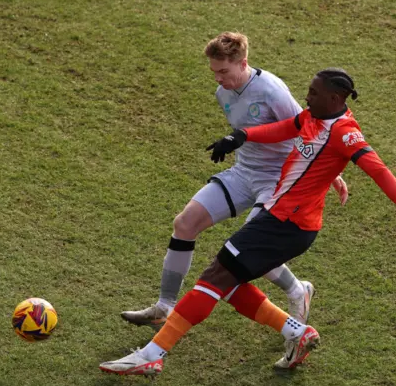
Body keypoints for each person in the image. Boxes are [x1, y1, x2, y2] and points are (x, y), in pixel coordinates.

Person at [100, 67, 396, 376]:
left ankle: (152, 355)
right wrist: (241, 136)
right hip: (283, 220)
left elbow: (378, 169)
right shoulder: (313, 117)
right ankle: (297, 332)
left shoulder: (344, 133)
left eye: (313, 92)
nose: (307, 96)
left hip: (286, 224)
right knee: (228, 284)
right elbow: (283, 128)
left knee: (215, 277)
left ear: (335, 98)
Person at [121, 32, 348, 330]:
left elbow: (309, 128)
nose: (218, 78)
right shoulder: (223, 93)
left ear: (243, 63)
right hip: (244, 173)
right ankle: (164, 307)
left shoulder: (272, 90)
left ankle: (297, 290)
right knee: (184, 224)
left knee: (248, 246)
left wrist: (332, 173)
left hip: (278, 180)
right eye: (214, 71)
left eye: (224, 71)